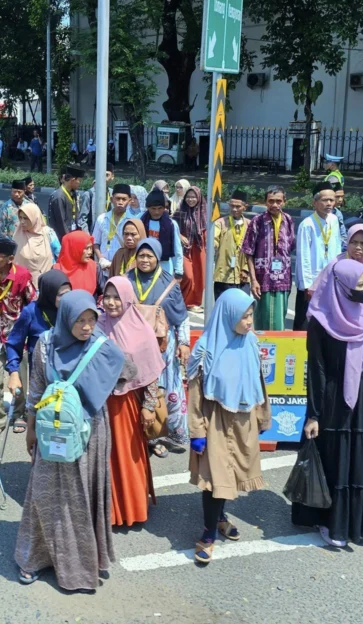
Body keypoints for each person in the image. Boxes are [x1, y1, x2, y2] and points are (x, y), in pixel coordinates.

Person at [14, 291, 126, 589]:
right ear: (66, 318)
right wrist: (31, 428)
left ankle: (80, 566)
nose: (87, 326)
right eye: (80, 320)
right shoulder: (46, 345)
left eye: (92, 319)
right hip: (53, 430)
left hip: (89, 433)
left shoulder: (102, 347)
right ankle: (35, 558)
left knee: (80, 496)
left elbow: (127, 371)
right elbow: (36, 389)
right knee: (44, 493)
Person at [293, 259, 363, 547]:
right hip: (332, 403)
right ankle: (327, 521)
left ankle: (353, 523)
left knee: (358, 459)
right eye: (359, 285)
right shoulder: (321, 321)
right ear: (341, 286)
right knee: (334, 460)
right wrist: (314, 415)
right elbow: (317, 371)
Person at [187, 289, 270, 563]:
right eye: (244, 316)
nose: (249, 322)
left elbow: (258, 382)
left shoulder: (251, 343)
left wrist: (262, 416)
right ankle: (208, 533)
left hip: (243, 419)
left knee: (231, 476)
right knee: (214, 481)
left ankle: (221, 518)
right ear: (229, 315)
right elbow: (196, 394)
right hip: (215, 423)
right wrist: (197, 431)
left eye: (251, 315)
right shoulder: (206, 348)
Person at [100, 277, 166, 527]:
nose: (111, 302)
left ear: (127, 298)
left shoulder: (141, 330)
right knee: (105, 456)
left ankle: (133, 508)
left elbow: (150, 371)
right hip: (102, 403)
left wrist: (149, 407)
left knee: (128, 456)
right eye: (107, 296)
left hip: (128, 404)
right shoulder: (98, 324)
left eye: (117, 297)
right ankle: (111, 510)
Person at [128, 238, 191, 455]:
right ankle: (138, 435)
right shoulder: (126, 281)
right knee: (136, 390)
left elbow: (181, 317)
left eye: (149, 256)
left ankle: (160, 435)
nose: (144, 260)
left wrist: (183, 343)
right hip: (133, 347)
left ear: (158, 258)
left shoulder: (170, 284)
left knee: (163, 391)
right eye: (141, 256)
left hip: (162, 348)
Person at [0, 238, 38, 440]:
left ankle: (20, 414)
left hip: (18, 338)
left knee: (19, 379)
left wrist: (30, 332)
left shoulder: (22, 275)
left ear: (10, 259)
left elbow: (33, 304)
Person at [6, 269, 71, 418]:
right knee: (42, 422)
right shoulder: (31, 312)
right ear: (49, 293)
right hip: (41, 383)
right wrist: (14, 373)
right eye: (61, 295)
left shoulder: (72, 311)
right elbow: (13, 344)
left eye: (69, 292)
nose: (67, 298)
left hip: (68, 380)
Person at [243, 186, 296, 330]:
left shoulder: (288, 220)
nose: (274, 205)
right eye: (271, 201)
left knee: (279, 321)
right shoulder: (257, 221)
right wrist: (253, 280)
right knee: (263, 321)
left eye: (278, 201)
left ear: (284, 202)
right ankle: (261, 351)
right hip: (263, 280)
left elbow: (290, 246)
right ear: (265, 202)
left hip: (284, 280)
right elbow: (248, 251)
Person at [294, 182, 343, 327]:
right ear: (314, 203)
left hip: (329, 279)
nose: (329, 203)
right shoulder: (307, 224)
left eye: (332, 200)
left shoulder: (334, 220)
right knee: (305, 320)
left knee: (326, 319)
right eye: (325, 200)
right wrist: (307, 285)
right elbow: (303, 257)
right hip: (312, 281)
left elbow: (337, 248)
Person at [212, 190, 252, 297]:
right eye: (232, 206)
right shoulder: (220, 223)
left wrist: (246, 269)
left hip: (243, 277)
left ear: (245, 207)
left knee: (243, 310)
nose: (234, 209)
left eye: (238, 206)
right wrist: (212, 244)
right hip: (223, 275)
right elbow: (213, 240)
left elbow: (254, 249)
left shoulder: (250, 225)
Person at [174, 185, 207, 312]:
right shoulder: (180, 212)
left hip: (199, 248)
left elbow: (209, 230)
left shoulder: (204, 212)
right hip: (184, 249)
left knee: (200, 276)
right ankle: (182, 300)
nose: (191, 199)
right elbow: (173, 227)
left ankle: (193, 303)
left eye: (193, 197)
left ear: (198, 198)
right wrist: (180, 236)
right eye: (188, 197)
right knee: (187, 275)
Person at [13, 202, 59, 285]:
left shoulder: (48, 233)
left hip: (45, 283)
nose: (22, 221)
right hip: (23, 284)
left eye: (26, 218)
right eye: (20, 218)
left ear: (35, 218)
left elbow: (59, 255)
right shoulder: (18, 233)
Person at [92, 183, 131, 268]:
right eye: (117, 199)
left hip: (123, 267)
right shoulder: (102, 219)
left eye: (124, 199)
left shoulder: (132, 221)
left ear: (129, 201)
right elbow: (95, 242)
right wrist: (101, 259)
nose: (120, 202)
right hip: (103, 267)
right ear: (111, 199)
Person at [143, 189, 181, 276]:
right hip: (144, 264)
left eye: (160, 208)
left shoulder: (171, 224)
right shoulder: (140, 221)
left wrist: (179, 271)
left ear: (164, 208)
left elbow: (177, 249)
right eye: (153, 209)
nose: (156, 212)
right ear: (147, 208)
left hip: (165, 266)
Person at [53, 230, 98, 295]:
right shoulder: (57, 270)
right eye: (86, 248)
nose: (90, 252)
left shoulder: (94, 267)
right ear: (74, 248)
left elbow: (102, 293)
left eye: (91, 248)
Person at [47, 166, 85, 239]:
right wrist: (68, 240)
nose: (79, 183)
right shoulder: (59, 197)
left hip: (72, 233)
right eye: (79, 181)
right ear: (73, 180)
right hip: (63, 238)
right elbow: (61, 223)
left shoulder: (73, 193)